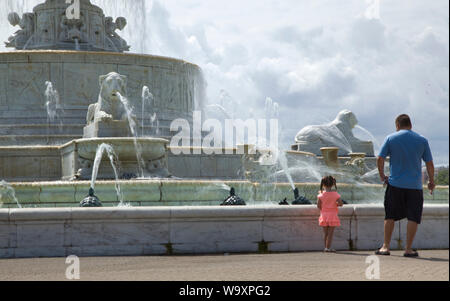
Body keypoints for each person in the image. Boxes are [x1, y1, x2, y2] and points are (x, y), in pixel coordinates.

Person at [376, 114, 435, 258]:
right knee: (413, 217)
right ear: (410, 125)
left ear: (397, 125)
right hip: (415, 186)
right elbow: (429, 164)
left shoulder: (391, 138)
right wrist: (431, 181)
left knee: (390, 215)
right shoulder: (422, 140)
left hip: (395, 184)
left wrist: (382, 175)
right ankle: (408, 249)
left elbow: (380, 158)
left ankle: (385, 247)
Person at [317, 176, 344, 253]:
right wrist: (335, 204)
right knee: (330, 233)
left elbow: (318, 206)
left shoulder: (320, 195)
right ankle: (328, 248)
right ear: (333, 184)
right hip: (332, 215)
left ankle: (326, 247)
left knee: (325, 233)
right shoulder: (335, 194)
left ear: (323, 184)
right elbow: (341, 204)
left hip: (324, 215)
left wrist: (325, 208)